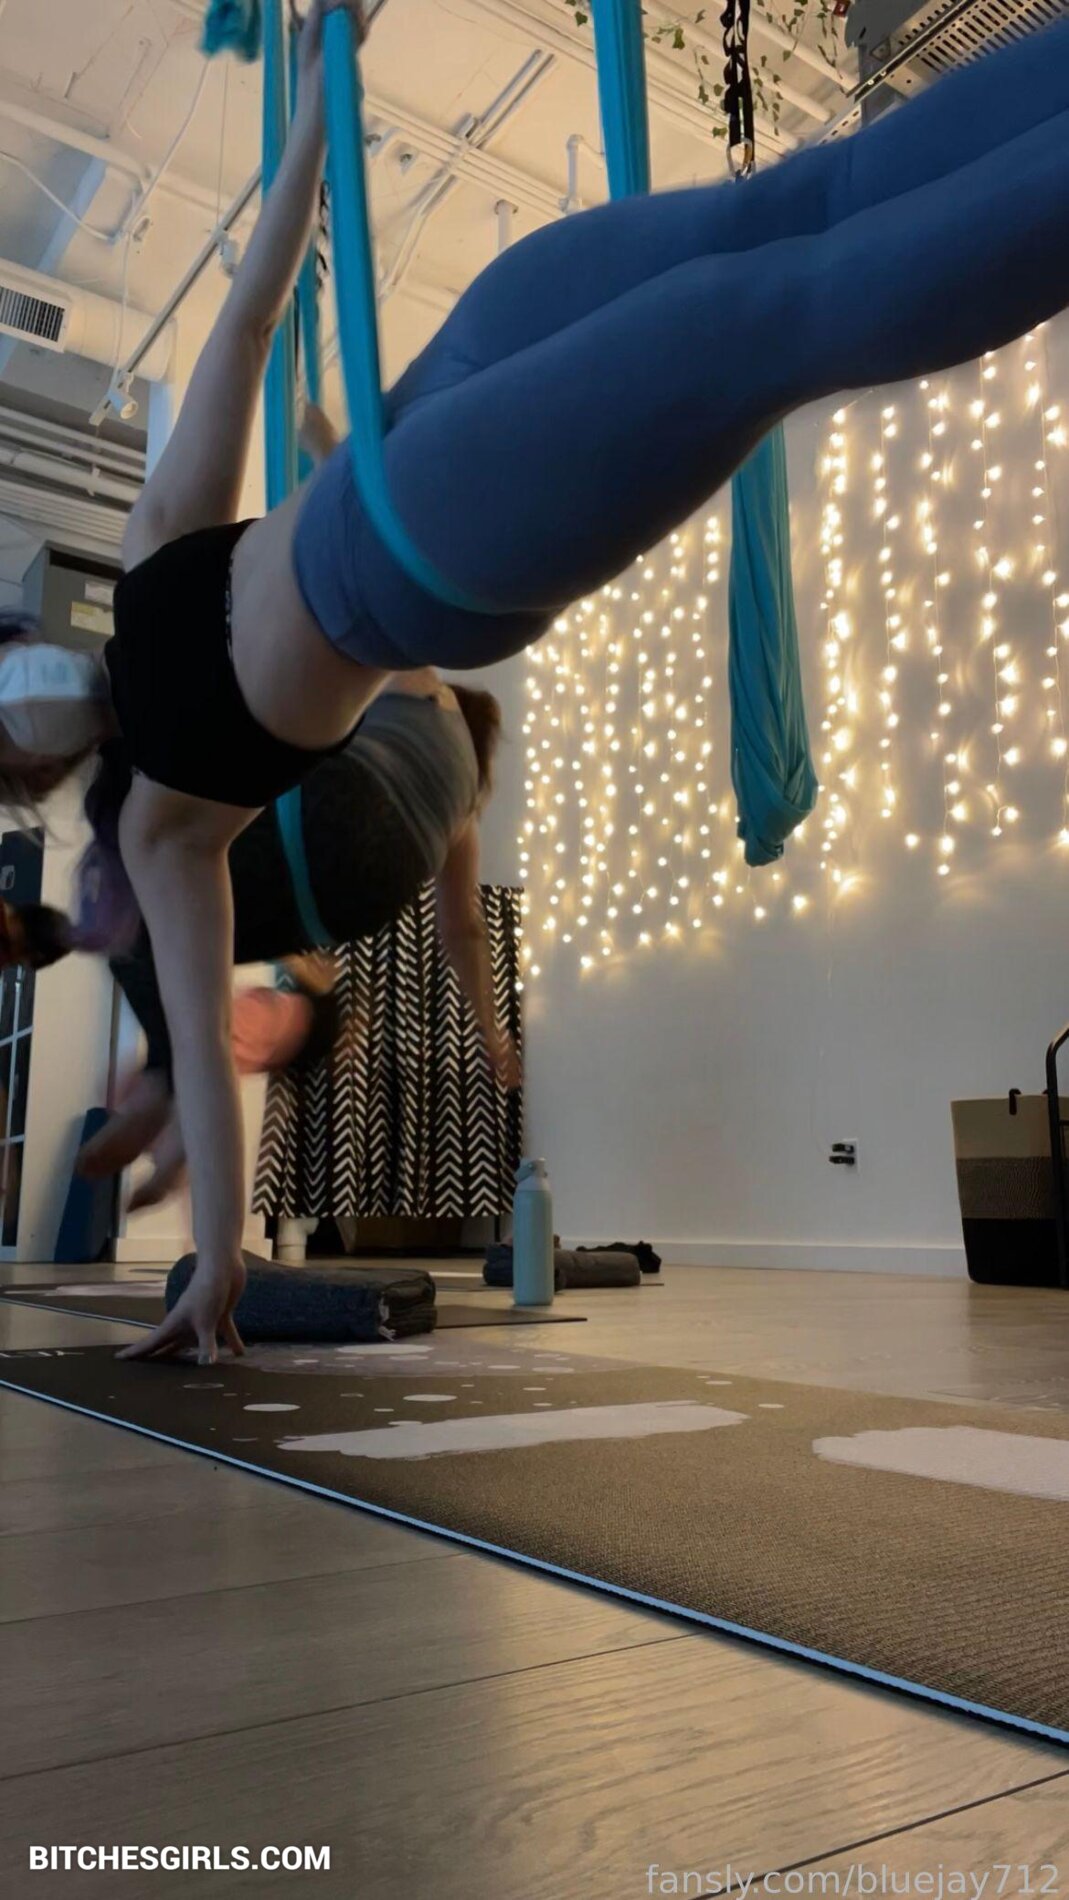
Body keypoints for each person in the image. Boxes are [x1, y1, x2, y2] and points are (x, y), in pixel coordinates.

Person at [1, 0, 1068, 1359]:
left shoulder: (153, 546)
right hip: (420, 540)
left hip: (429, 392)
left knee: (802, 199)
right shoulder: (163, 827)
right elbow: (207, 1055)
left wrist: (322, 95)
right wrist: (215, 1258)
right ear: (27, 773)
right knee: (775, 310)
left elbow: (254, 315)